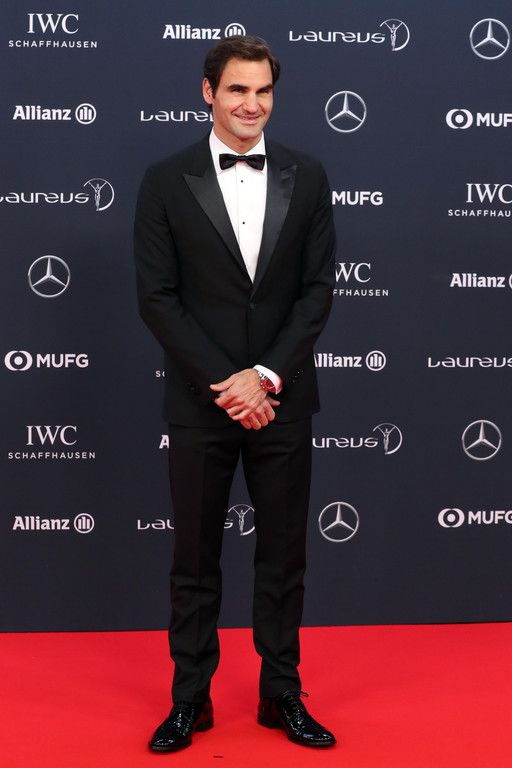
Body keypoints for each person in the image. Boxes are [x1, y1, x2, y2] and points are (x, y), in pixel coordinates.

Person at [134, 35, 336, 752]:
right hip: (202, 403)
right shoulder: (165, 179)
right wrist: (228, 385)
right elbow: (158, 299)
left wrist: (266, 377)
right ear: (208, 93)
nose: (252, 105)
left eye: (263, 91)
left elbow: (317, 291)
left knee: (284, 557)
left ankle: (281, 693)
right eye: (237, 90)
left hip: (283, 399)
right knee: (193, 559)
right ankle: (190, 699)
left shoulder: (308, 175)